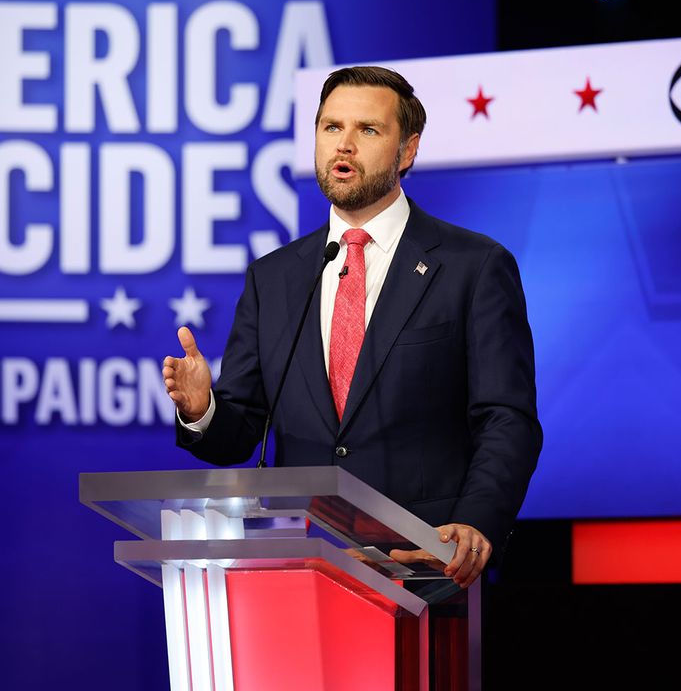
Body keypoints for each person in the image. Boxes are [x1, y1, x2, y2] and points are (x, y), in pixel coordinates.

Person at [164, 66, 541, 588]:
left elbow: (506, 418)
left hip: (428, 570)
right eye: (330, 127)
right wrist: (203, 410)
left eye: (367, 130)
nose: (344, 145)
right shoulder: (274, 278)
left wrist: (475, 524)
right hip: (297, 568)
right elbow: (243, 432)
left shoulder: (472, 266)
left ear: (407, 150)